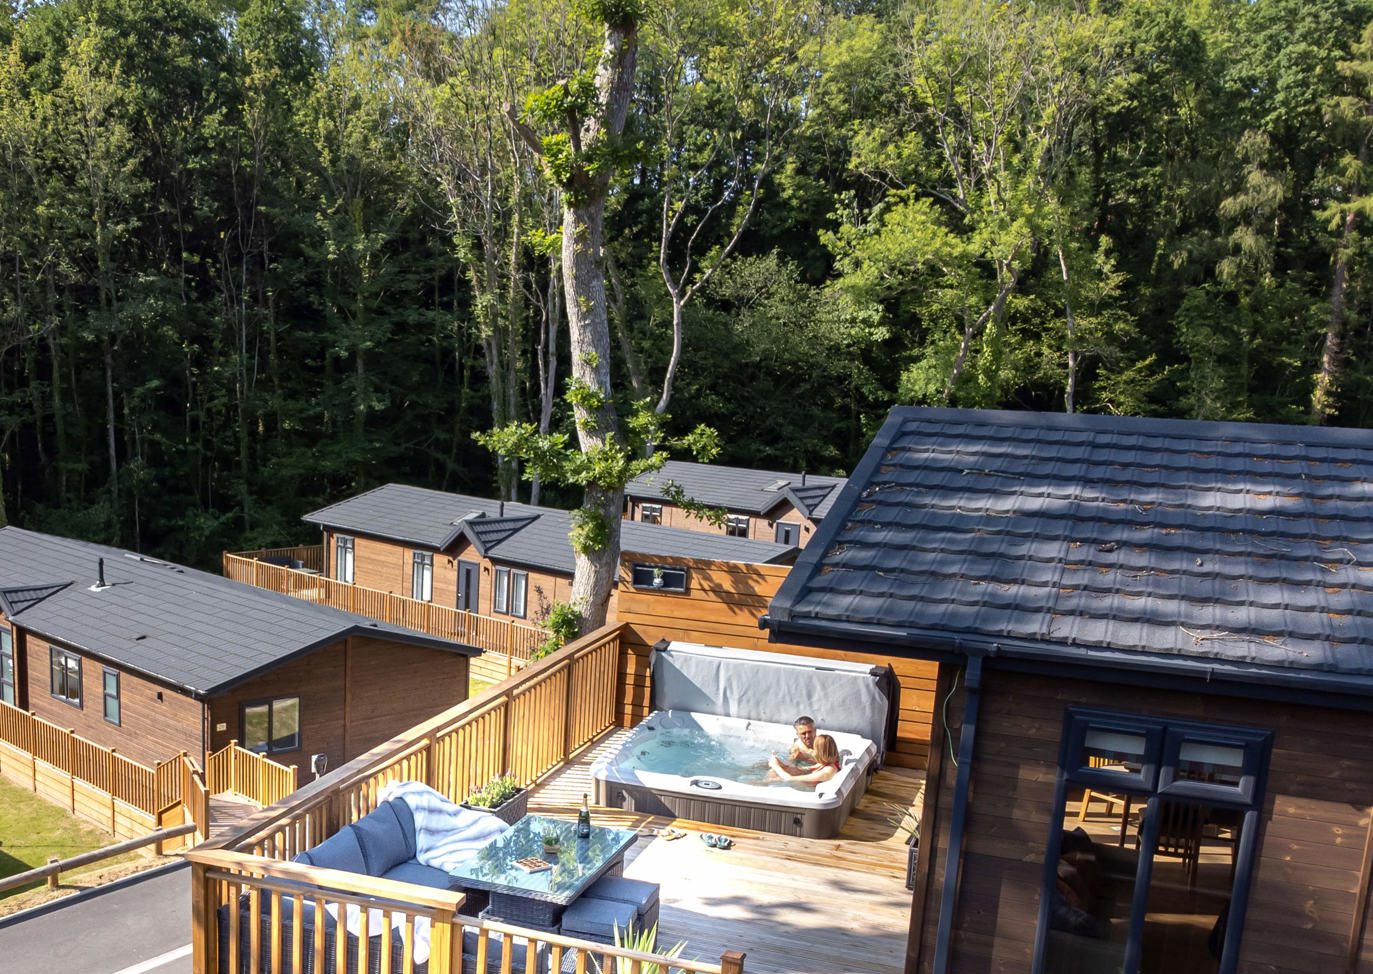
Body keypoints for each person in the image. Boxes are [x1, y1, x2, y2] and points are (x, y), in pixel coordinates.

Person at [769, 734, 842, 787]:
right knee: (773, 773)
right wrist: (782, 765)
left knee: (773, 776)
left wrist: (776, 766)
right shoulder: (826, 763)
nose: (813, 751)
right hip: (803, 782)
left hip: (808, 792)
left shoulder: (827, 772)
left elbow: (789, 778)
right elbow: (803, 769)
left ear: (820, 752)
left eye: (815, 748)